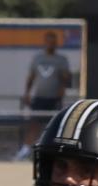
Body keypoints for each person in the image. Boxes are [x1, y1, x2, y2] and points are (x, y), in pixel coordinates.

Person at [16, 27, 76, 157]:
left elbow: (65, 79)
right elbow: (31, 77)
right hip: (39, 97)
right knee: (34, 124)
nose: (51, 44)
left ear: (56, 44)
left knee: (54, 125)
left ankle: (52, 151)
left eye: (53, 42)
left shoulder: (61, 60)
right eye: (48, 41)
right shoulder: (37, 58)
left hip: (54, 98)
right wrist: (27, 93)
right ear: (45, 42)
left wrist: (62, 91)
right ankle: (25, 151)